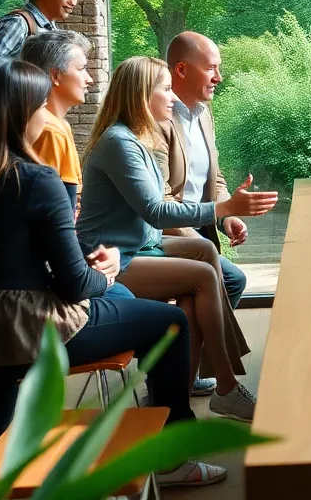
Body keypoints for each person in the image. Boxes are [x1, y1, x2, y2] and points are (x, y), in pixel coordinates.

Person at [0, 60, 222, 487]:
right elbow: (73, 283)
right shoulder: (36, 180)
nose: (48, 118)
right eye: (42, 108)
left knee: (2, 384)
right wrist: (105, 274)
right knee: (171, 322)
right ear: (25, 113)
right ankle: (171, 457)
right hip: (35, 331)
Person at [78, 56, 278, 422]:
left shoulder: (137, 137)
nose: (172, 98)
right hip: (111, 258)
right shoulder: (120, 143)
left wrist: (224, 209)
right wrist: (223, 208)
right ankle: (225, 385)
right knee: (201, 277)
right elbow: (156, 210)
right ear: (142, 96)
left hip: (140, 244)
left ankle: (186, 382)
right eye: (166, 89)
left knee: (203, 251)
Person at [156, 31, 249, 309]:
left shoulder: (204, 113)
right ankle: (202, 351)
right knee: (231, 279)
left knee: (215, 287)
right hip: (167, 234)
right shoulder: (158, 118)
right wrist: (199, 242)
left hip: (201, 229)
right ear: (181, 70)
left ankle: (197, 351)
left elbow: (215, 179)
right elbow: (160, 200)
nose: (218, 77)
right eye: (211, 68)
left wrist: (226, 217)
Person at [21, 29, 93, 209]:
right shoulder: (50, 131)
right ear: (55, 75)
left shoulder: (57, 125)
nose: (89, 79)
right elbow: (53, 207)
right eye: (82, 69)